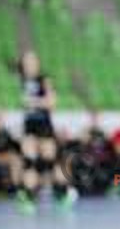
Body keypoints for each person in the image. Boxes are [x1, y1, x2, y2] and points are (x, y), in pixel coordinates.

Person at [16, 51, 76, 213]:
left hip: (44, 126)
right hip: (29, 126)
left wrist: (34, 102)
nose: (30, 64)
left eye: (32, 61)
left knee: (50, 163)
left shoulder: (44, 80)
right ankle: (28, 198)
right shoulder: (22, 80)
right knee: (29, 162)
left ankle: (62, 192)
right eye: (27, 61)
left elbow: (52, 102)